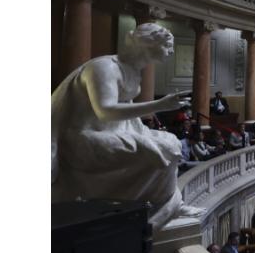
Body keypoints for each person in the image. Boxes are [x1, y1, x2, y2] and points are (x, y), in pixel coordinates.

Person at [52, 23, 203, 230]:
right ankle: (156, 210)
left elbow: (128, 117)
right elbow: (105, 111)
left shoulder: (134, 72)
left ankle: (169, 204)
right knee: (159, 150)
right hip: (84, 138)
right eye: (167, 45)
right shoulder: (103, 67)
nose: (171, 51)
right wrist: (160, 105)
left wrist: (147, 133)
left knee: (171, 143)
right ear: (148, 44)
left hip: (114, 132)